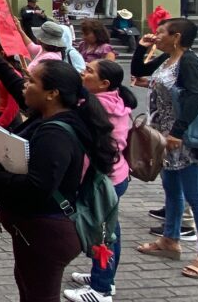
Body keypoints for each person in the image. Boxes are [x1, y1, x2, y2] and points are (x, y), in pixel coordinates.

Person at [0, 41, 118, 302]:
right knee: (30, 287)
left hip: (47, 232)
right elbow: (22, 95)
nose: (25, 85)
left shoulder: (55, 133)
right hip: (36, 229)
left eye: (31, 81)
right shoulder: (49, 115)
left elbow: (38, 187)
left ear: (52, 93)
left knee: (40, 295)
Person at [132, 18, 198, 280]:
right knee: (171, 189)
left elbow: (197, 96)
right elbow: (139, 71)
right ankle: (170, 240)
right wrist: (141, 46)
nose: (156, 35)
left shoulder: (189, 61)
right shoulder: (168, 58)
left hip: (184, 139)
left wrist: (178, 131)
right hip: (164, 137)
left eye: (161, 32)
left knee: (195, 195)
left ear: (177, 37)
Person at [65, 60, 137, 302]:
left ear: (104, 83)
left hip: (105, 180)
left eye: (89, 71)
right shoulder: (114, 99)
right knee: (108, 230)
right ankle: (104, 276)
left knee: (104, 233)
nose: (83, 73)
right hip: (115, 176)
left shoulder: (97, 107)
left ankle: (101, 289)